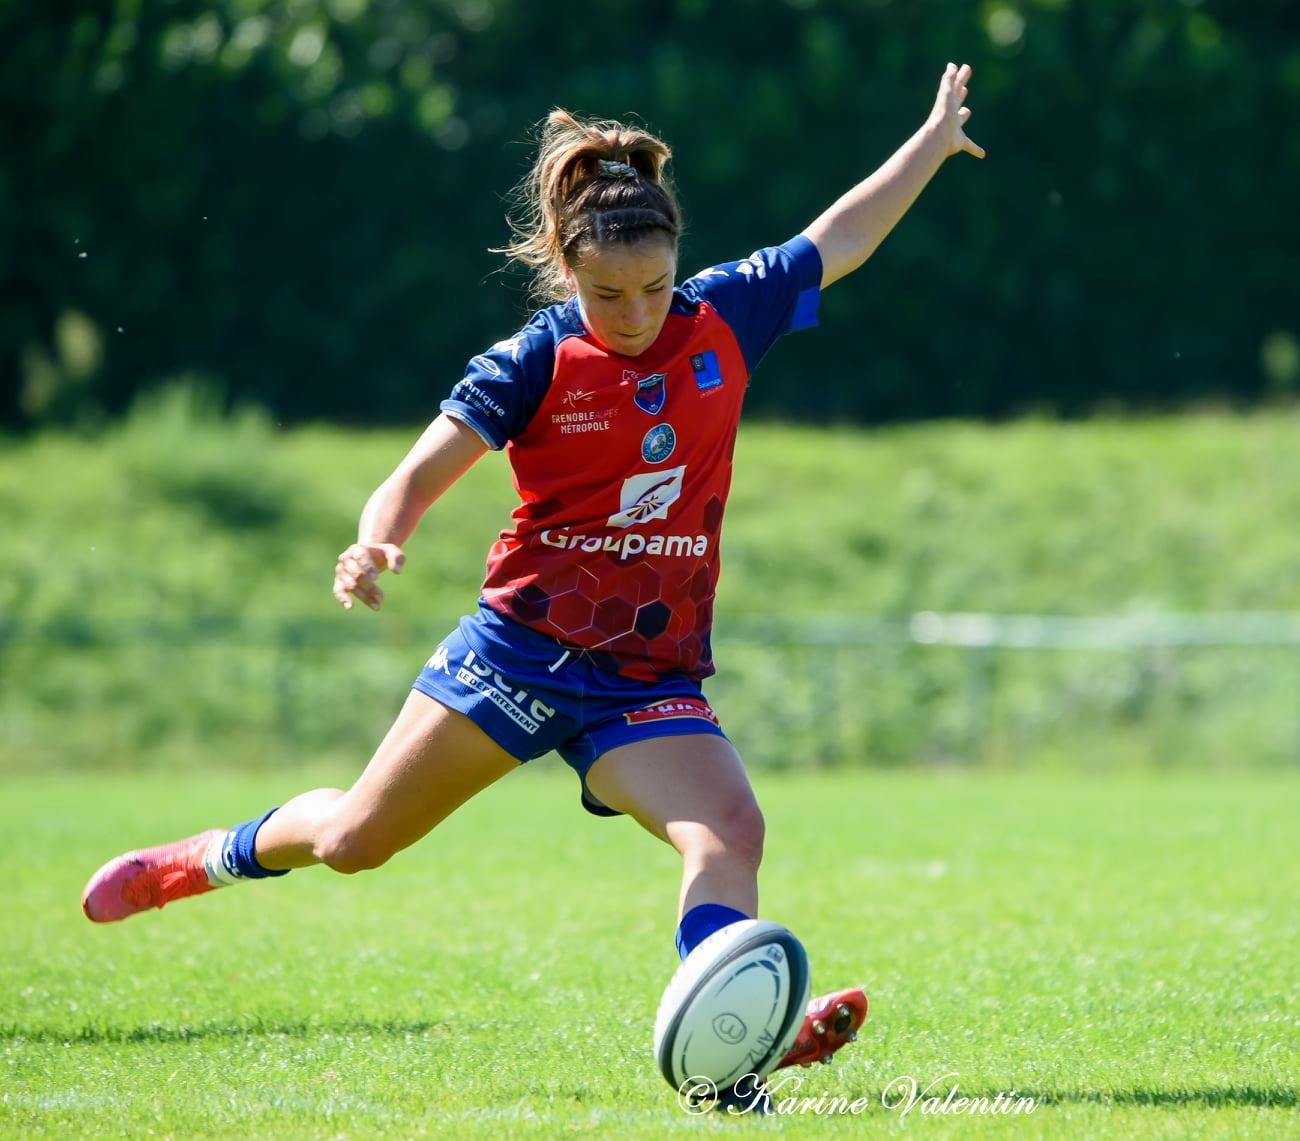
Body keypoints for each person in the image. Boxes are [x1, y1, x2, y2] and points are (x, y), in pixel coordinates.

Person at [82, 63, 986, 1077]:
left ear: (677, 258)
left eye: (652, 286)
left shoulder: (725, 318)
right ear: (564, 267)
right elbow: (414, 474)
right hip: (516, 653)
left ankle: (727, 1051)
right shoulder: (532, 360)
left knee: (729, 829)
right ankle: (200, 860)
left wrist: (931, 142)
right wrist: (377, 538)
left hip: (643, 676)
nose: (636, 312)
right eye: (607, 294)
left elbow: (841, 237)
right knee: (350, 842)